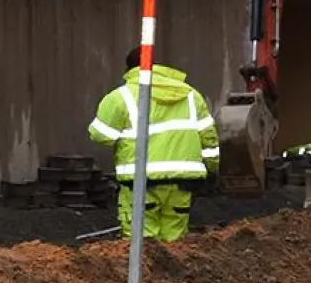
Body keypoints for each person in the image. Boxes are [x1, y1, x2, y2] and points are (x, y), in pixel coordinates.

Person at [87, 48, 219, 243]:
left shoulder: (121, 97)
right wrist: (211, 170)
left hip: (140, 182)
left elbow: (101, 135)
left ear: (129, 69)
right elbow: (209, 139)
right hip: (182, 182)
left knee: (142, 246)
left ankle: (146, 274)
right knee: (176, 244)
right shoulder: (191, 95)